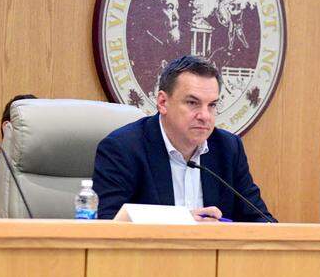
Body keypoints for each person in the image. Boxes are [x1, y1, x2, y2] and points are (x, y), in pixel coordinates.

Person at [92, 55, 274, 222]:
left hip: (212, 256)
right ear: (163, 102)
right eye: (192, 103)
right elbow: (107, 223)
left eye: (212, 105)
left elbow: (261, 221)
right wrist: (183, 220)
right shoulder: (123, 148)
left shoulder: (228, 148)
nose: (205, 116)